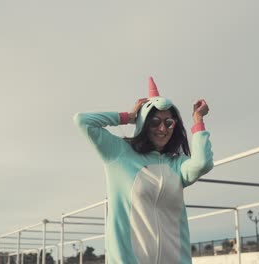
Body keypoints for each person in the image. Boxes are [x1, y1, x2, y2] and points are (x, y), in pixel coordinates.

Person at [74, 77, 214, 264]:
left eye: (169, 122)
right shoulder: (119, 153)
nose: (162, 128)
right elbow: (83, 121)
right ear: (143, 123)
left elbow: (202, 163)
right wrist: (129, 116)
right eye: (154, 121)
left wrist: (198, 120)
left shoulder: (177, 164)